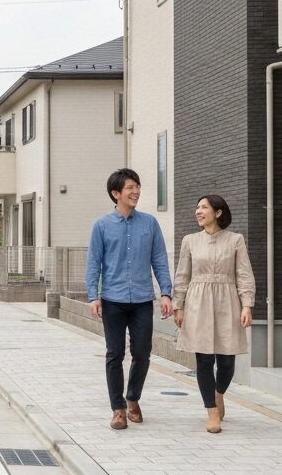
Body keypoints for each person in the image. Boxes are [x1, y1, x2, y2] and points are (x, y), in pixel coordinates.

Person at [85, 168, 173, 430]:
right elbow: (94, 263)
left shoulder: (149, 223)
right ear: (116, 193)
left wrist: (166, 292)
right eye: (130, 188)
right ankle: (118, 409)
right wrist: (93, 296)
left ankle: (132, 397)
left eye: (137, 186)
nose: (136, 192)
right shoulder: (101, 225)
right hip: (112, 299)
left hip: (143, 300)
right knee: (114, 354)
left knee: (142, 352)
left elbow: (159, 259)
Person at [172, 194, 255, 434]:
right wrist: (179, 305)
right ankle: (211, 411)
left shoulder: (235, 240)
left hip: (228, 301)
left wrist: (247, 304)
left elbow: (244, 274)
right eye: (197, 207)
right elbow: (182, 275)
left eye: (204, 207)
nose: (198, 211)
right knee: (204, 360)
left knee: (227, 360)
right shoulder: (190, 240)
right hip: (198, 302)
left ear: (218, 213)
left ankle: (218, 394)